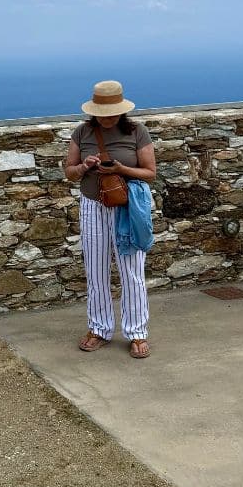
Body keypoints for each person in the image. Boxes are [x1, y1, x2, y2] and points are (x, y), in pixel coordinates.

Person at [64, 80, 157, 359]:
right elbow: (69, 171)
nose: (108, 118)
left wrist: (121, 168)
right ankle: (99, 328)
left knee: (132, 270)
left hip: (125, 207)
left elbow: (150, 172)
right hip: (93, 205)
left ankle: (137, 333)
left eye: (112, 112)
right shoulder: (82, 132)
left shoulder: (137, 132)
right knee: (95, 269)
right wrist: (84, 166)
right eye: (103, 113)